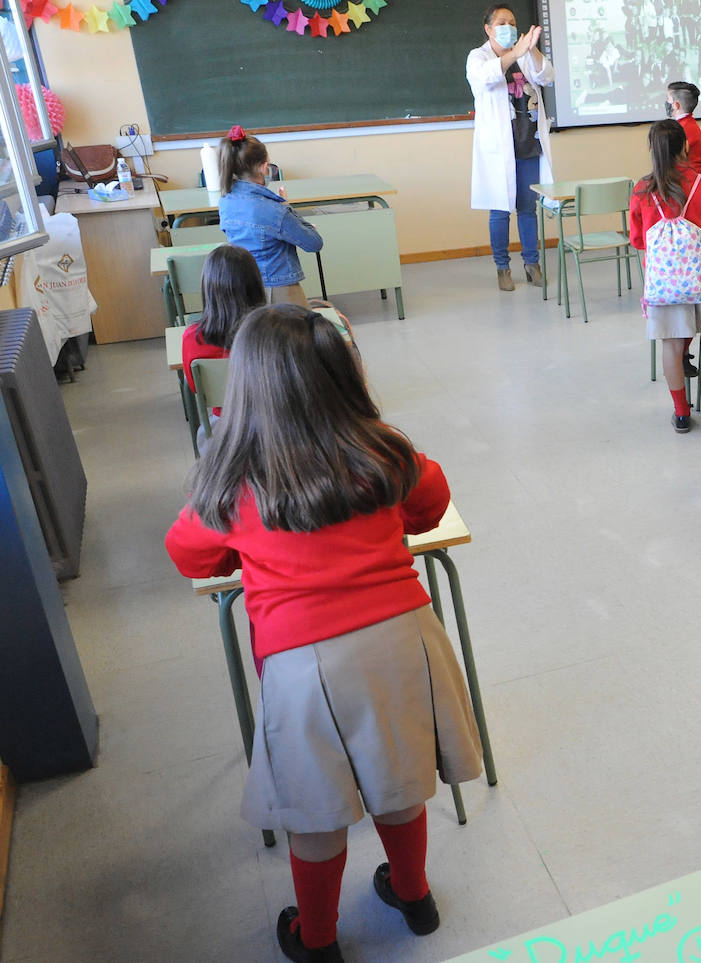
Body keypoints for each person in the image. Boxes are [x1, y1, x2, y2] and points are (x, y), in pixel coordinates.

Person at [164, 305, 484, 963]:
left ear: (246, 386)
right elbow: (430, 504)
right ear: (343, 376)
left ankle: (316, 941)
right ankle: (414, 895)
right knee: (402, 781)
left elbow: (189, 555)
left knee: (317, 815)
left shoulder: (235, 481)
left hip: (303, 670)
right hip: (403, 639)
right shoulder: (384, 450)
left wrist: (244, 556)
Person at [629, 119, 701, 434]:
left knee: (669, 343)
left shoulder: (642, 189)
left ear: (651, 150)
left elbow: (637, 240)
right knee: (697, 326)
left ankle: (681, 413)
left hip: (663, 280)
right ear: (686, 146)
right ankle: (687, 351)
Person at [467, 4, 555, 292]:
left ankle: (532, 263)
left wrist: (532, 49)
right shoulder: (477, 58)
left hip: (529, 143)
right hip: (498, 149)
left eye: (513, 22)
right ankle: (502, 267)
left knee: (528, 208)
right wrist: (515, 53)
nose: (509, 27)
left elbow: (546, 76)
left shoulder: (525, 54)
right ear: (488, 29)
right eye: (502, 22)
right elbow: (487, 76)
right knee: (500, 210)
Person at [217, 126, 323, 308]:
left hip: (244, 288)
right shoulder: (274, 210)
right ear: (263, 167)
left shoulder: (226, 201)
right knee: (293, 336)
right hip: (278, 290)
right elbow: (314, 243)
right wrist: (287, 209)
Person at [181, 245, 265, 440]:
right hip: (274, 424)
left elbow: (195, 387)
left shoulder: (192, 338)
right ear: (256, 284)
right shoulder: (271, 331)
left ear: (207, 287)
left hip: (224, 432)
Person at [666, 80, 701, 173]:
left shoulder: (681, 130)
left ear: (676, 105)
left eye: (668, 98)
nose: (666, 102)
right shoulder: (688, 124)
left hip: (688, 181)